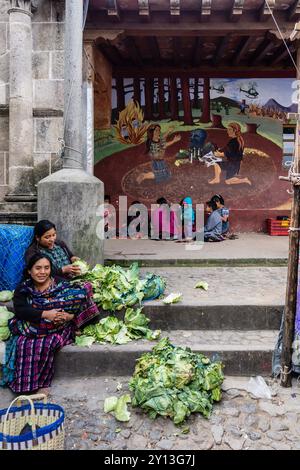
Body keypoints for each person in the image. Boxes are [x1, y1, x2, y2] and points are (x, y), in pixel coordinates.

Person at [0, 253, 99, 395]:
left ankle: (43, 383)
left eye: (46, 268)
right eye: (38, 268)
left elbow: (78, 300)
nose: (42, 272)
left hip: (58, 328)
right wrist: (47, 314)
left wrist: (68, 316)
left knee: (48, 343)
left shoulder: (60, 284)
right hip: (32, 325)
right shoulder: (23, 289)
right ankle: (26, 385)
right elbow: (21, 311)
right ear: (29, 270)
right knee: (23, 343)